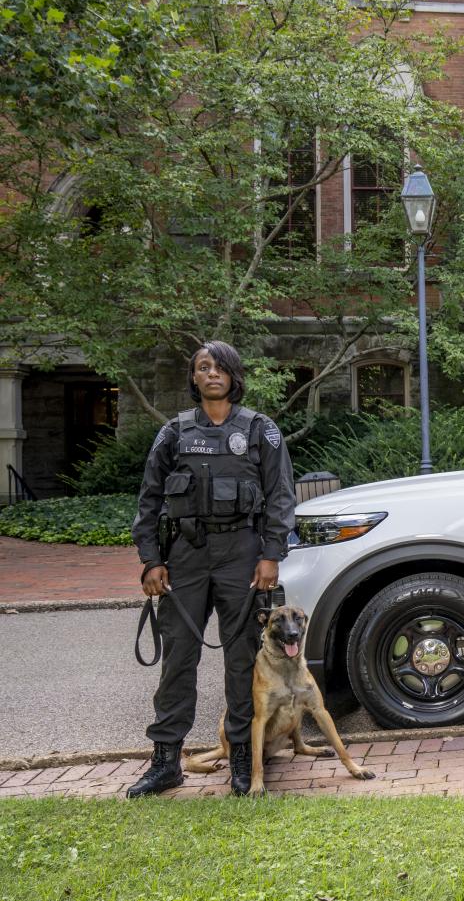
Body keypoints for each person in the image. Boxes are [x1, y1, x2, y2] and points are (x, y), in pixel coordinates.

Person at [125, 341, 296, 797]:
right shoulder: (174, 432)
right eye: (203, 367)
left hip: (242, 553)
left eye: (220, 367)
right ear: (195, 378)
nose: (212, 373)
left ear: (234, 376)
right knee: (179, 658)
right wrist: (151, 560)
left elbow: (281, 496)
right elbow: (149, 499)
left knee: (241, 660)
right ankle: (166, 761)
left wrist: (271, 554)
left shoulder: (261, 430)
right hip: (186, 554)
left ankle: (242, 757)